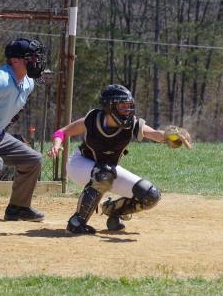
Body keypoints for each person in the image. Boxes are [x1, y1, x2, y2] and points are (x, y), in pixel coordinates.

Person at [47, 84, 192, 234]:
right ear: (109, 106)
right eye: (122, 105)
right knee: (104, 173)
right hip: (80, 164)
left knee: (150, 195)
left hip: (107, 170)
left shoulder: (132, 123)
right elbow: (62, 132)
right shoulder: (93, 119)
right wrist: (56, 146)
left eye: (129, 106)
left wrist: (172, 136)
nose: (127, 110)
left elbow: (155, 134)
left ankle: (112, 210)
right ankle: (77, 222)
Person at [0, 38, 46, 222]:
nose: (36, 61)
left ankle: (18, 208)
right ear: (15, 61)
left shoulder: (28, 83)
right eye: (31, 57)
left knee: (33, 160)